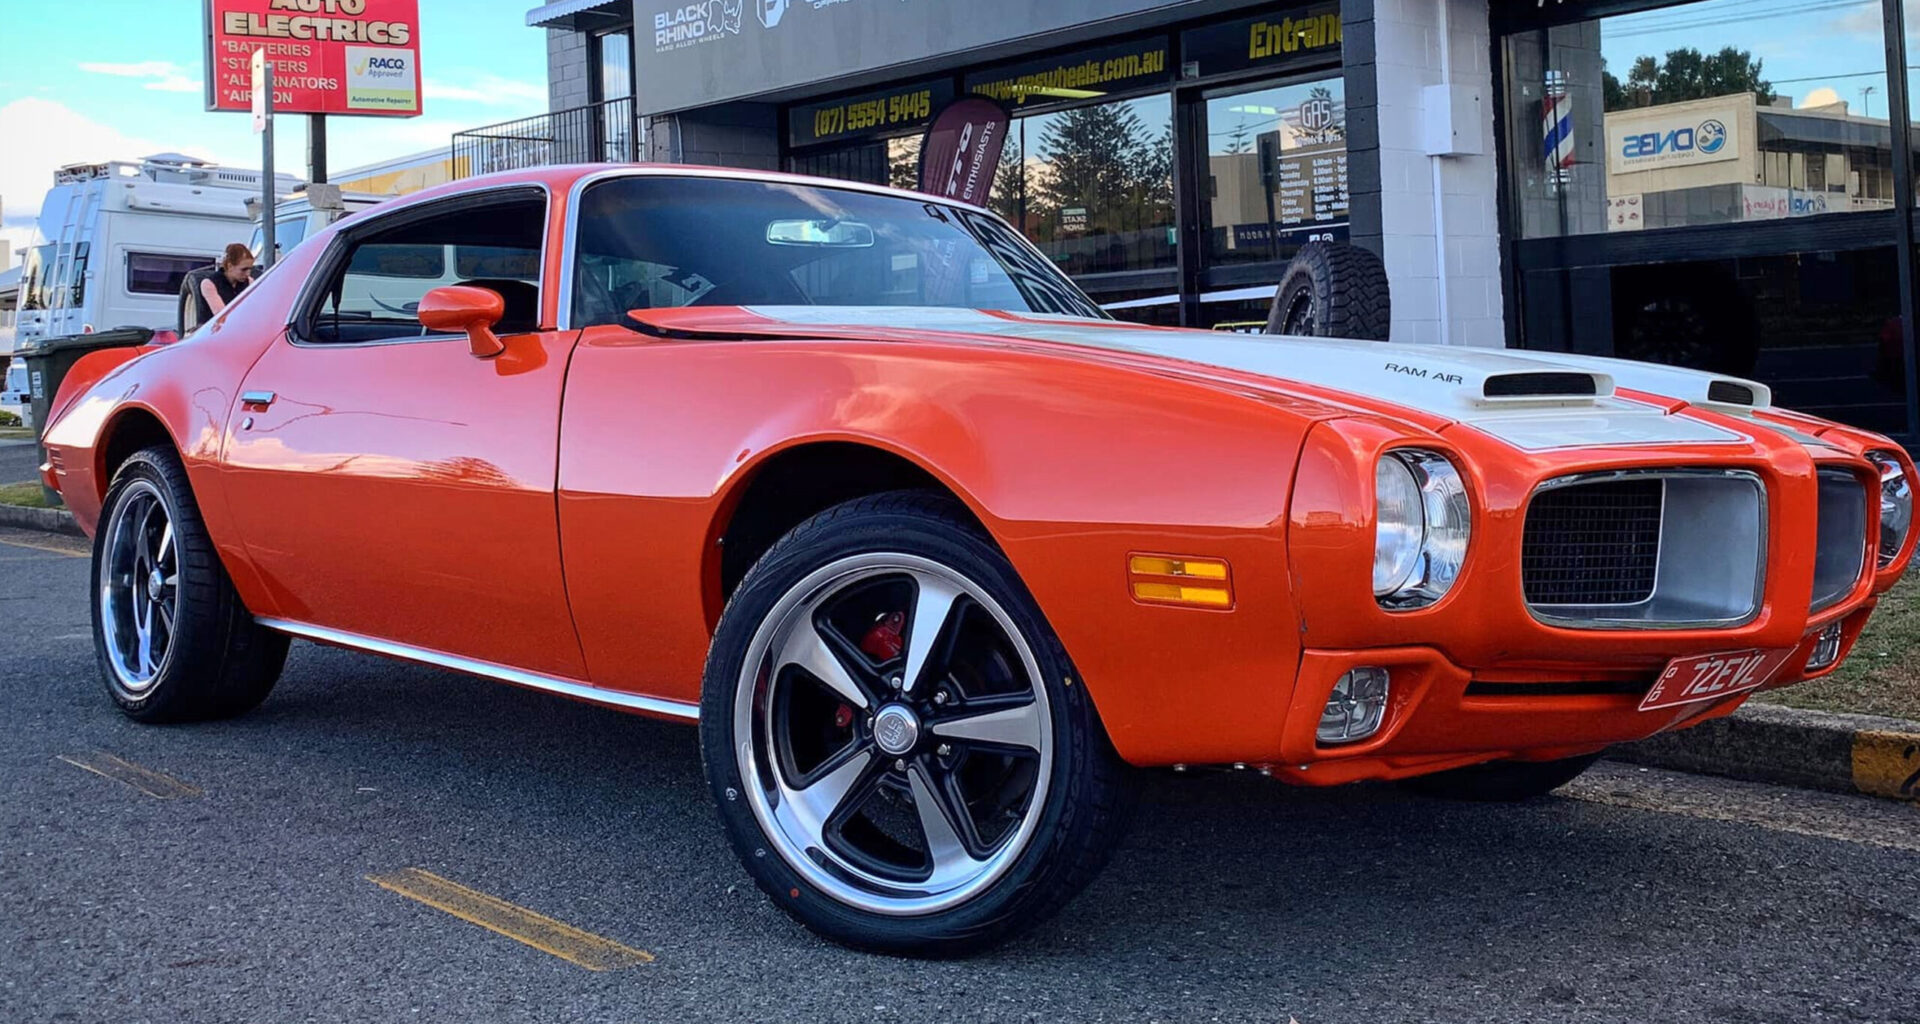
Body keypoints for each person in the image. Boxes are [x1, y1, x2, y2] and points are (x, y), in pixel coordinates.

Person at [178, 243, 255, 332]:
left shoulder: (249, 282)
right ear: (230, 266)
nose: (248, 273)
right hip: (212, 333)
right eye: (244, 269)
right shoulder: (209, 283)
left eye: (250, 269)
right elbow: (222, 316)